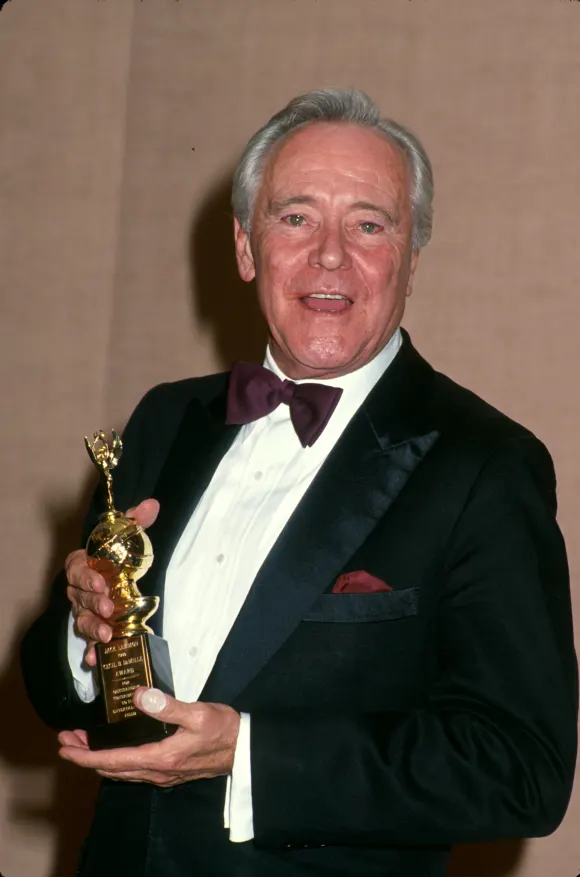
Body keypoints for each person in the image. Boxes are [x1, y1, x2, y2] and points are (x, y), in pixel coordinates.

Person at [21, 88, 577, 877]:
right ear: (247, 248)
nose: (330, 255)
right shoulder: (164, 420)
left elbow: (520, 767)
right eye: (295, 217)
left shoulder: (486, 464)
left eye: (369, 224)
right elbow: (50, 684)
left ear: (411, 258)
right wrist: (84, 637)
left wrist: (250, 755)